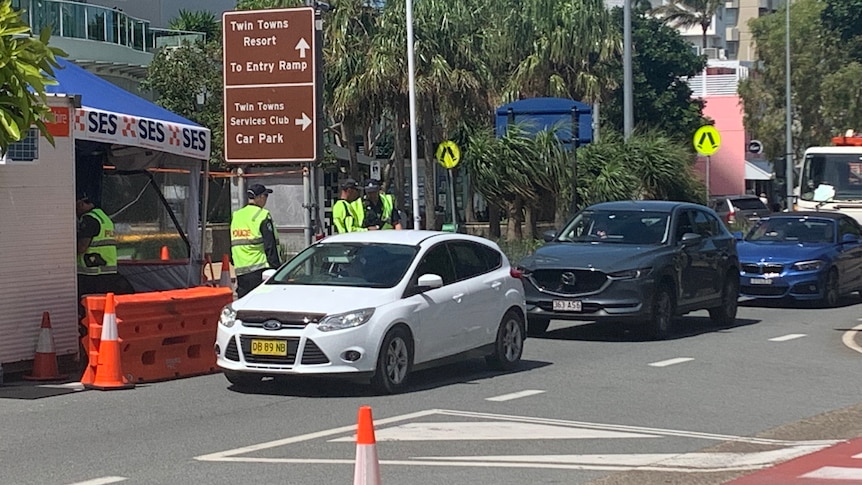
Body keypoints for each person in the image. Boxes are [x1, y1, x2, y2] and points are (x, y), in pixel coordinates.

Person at [76, 192, 135, 299]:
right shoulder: (103, 217)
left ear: (81, 204)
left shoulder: (89, 220)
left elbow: (82, 247)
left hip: (92, 274)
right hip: (108, 272)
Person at [230, 183, 282, 298]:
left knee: (245, 303)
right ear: (260, 197)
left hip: (241, 270)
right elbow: (270, 245)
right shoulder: (262, 215)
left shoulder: (237, 215)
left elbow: (233, 242)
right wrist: (277, 269)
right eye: (265, 196)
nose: (265, 200)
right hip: (260, 270)